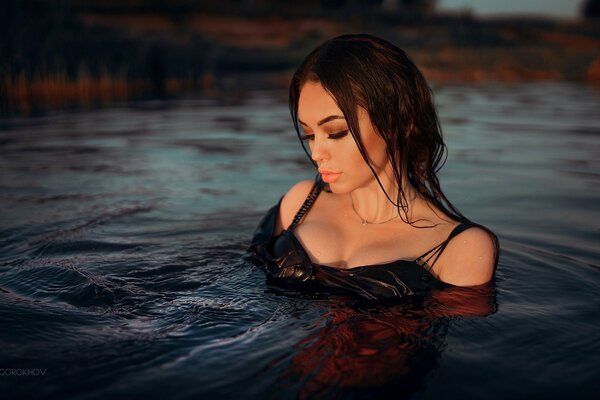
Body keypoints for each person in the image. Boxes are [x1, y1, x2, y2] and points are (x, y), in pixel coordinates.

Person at [248, 34, 499, 300]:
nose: (316, 153)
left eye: (336, 132)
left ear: (400, 124)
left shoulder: (460, 247)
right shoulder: (300, 202)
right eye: (309, 135)